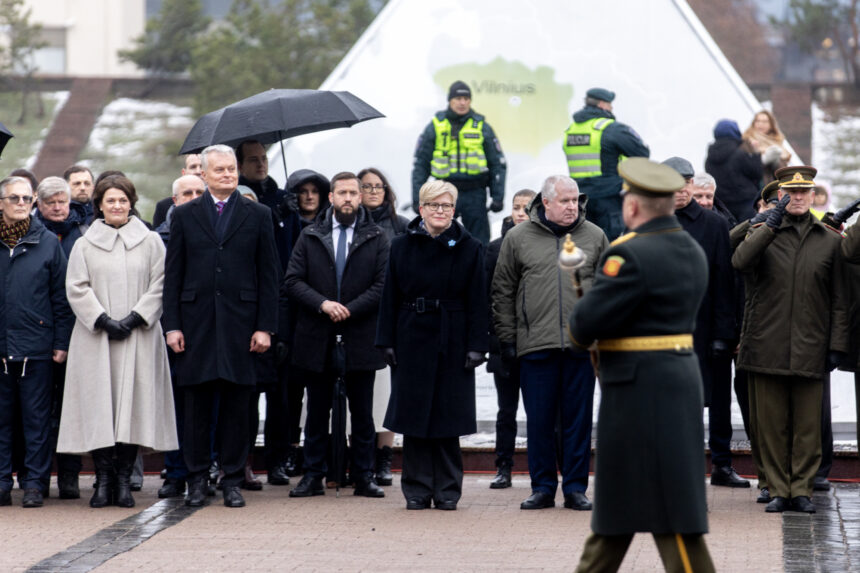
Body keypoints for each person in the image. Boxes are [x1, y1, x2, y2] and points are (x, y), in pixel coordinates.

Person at [570, 157, 715, 573]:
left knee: (668, 513)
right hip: (673, 382)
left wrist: (584, 291)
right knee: (619, 514)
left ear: (633, 206)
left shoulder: (627, 255)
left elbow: (584, 327)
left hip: (639, 392)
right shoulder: (691, 248)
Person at [162, 144, 279, 509]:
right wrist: (173, 325)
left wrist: (265, 327)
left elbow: (269, 276)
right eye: (220, 170)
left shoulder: (257, 214)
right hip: (195, 324)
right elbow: (174, 275)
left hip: (241, 326)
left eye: (232, 169)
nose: (228, 174)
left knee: (236, 406)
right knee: (195, 406)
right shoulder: (184, 215)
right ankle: (196, 480)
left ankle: (231, 479)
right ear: (205, 174)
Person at [732, 165, 848, 514]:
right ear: (779, 196)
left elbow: (839, 300)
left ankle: (802, 490)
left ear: (812, 196)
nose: (797, 198)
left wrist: (836, 346)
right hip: (766, 344)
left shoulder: (828, 239)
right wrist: (768, 224)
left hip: (811, 346)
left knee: (808, 428)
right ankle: (778, 489)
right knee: (770, 427)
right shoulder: (764, 233)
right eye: (790, 193)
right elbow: (739, 261)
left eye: (803, 193)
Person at [58, 175, 178, 509]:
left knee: (132, 407)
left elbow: (161, 283)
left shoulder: (151, 240)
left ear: (131, 203)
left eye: (123, 200)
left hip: (139, 335)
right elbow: (76, 287)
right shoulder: (84, 243)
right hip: (96, 338)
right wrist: (103, 320)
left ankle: (124, 480)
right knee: (100, 407)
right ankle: (104, 478)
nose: (117, 206)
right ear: (99, 205)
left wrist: (136, 317)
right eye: (110, 201)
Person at [492, 175, 607, 511]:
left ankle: (575, 488)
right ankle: (542, 487)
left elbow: (609, 290)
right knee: (539, 421)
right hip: (535, 344)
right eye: (566, 201)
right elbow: (503, 291)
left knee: (578, 420)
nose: (573, 206)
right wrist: (508, 338)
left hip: (581, 346)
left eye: (576, 200)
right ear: (546, 203)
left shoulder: (595, 236)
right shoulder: (517, 238)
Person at [376, 180, 488, 510]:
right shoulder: (400, 245)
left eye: (447, 206)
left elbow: (478, 300)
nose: (441, 212)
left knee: (447, 417)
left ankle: (448, 491)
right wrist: (386, 340)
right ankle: (416, 489)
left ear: (455, 210)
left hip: (452, 339)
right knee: (414, 417)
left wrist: (477, 345)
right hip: (411, 337)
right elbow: (389, 296)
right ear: (421, 208)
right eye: (434, 205)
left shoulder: (470, 246)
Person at [285, 172, 389, 499]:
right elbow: (292, 281)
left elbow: (383, 285)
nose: (347, 198)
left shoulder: (377, 236)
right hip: (317, 335)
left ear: (360, 198)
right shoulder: (310, 235)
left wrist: (349, 309)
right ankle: (313, 476)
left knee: (362, 413)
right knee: (316, 412)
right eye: (341, 192)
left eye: (352, 193)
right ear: (331, 197)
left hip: (360, 335)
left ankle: (363, 476)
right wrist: (324, 304)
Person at [663, 157, 747, 489]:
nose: (681, 190)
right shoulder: (653, 221)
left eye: (686, 183)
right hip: (667, 334)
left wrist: (725, 333)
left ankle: (722, 464)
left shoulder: (713, 224)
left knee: (719, 402)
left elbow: (726, 283)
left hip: (708, 329)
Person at [0, 177, 74, 508]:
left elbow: (61, 297)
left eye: (25, 198)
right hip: (1, 347)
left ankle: (34, 483)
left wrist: (61, 341)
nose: (20, 203)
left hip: (38, 347)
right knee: (1, 421)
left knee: (37, 420)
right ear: (0, 202)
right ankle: (2, 481)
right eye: (13, 197)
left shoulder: (46, 243)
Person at [33, 177, 90, 499]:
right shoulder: (33, 235)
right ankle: (37, 476)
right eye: (50, 202)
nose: (57, 208)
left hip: (76, 332)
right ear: (38, 205)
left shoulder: (82, 234)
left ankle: (69, 474)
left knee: (71, 409)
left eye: (62, 202)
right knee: (41, 411)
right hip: (39, 333)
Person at [154, 174, 206, 499]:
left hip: (205, 331)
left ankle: (204, 470)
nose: (194, 197)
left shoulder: (214, 231)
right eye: (187, 192)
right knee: (173, 407)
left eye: (200, 192)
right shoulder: (158, 239)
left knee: (204, 408)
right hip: (170, 333)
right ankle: (175, 473)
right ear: (175, 200)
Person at [358, 167, 409, 485]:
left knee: (387, 392)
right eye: (367, 186)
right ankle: (359, 456)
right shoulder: (349, 225)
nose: (374, 191)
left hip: (391, 317)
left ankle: (384, 458)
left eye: (379, 186)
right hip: (359, 318)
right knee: (363, 394)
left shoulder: (400, 226)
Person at [411, 80, 507, 245]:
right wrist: (417, 198)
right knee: (438, 239)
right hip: (443, 192)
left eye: (466, 98)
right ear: (450, 100)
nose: (462, 102)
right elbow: (421, 164)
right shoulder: (435, 126)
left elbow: (497, 163)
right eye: (458, 98)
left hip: (475, 193)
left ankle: (478, 271)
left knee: (479, 243)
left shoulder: (481, 127)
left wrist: (497, 196)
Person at [484, 188, 535, 489]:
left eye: (527, 208)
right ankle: (503, 466)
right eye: (516, 207)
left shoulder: (546, 244)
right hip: (503, 344)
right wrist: (493, 340)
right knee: (506, 410)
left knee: (540, 410)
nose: (520, 213)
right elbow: (487, 297)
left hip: (535, 342)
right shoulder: (494, 248)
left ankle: (543, 466)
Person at [563, 87, 649, 240]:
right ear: (602, 104)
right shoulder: (610, 128)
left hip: (580, 201)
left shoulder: (571, 130)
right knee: (611, 246)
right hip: (609, 200)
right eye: (610, 104)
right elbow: (642, 153)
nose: (611, 108)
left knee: (585, 248)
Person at [705, 119, 764, 223]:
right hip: (745, 204)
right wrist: (756, 153)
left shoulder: (709, 158)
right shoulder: (740, 153)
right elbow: (757, 173)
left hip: (722, 205)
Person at [153, 154, 203, 228]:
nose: (198, 171)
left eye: (202, 167)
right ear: (184, 172)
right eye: (193, 167)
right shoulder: (164, 206)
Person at [742, 110, 790, 185]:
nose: (760, 124)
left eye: (765, 122)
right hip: (755, 186)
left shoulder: (777, 143)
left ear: (771, 125)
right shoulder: (747, 141)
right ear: (753, 123)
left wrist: (776, 159)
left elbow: (782, 172)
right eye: (758, 121)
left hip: (773, 186)